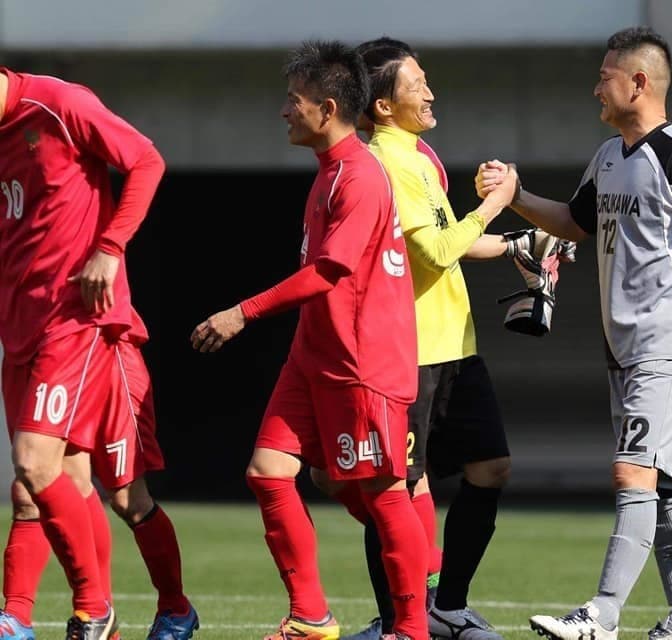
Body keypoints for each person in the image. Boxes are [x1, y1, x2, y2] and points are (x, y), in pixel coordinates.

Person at [475, 27, 672, 640]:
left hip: (668, 345)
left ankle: (602, 614)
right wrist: (516, 196)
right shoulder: (607, 157)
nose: (596, 88)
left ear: (638, 82)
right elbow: (573, 223)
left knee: (632, 474)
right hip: (623, 351)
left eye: (605, 76)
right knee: (665, 483)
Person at [191, 40, 507, 640]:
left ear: (328, 107)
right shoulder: (330, 172)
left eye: (295, 100)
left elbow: (328, 272)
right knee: (269, 472)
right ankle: (311, 616)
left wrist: (241, 313)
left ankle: (411, 627)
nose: (285, 110)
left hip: (361, 360)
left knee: (385, 491)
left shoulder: (361, 175)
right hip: (313, 354)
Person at [337, 38, 526, 640]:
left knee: (491, 467)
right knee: (393, 488)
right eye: (417, 84)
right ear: (383, 106)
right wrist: (496, 204)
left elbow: (453, 242)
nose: (430, 93)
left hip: (457, 346)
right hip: (409, 352)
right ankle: (397, 620)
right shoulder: (385, 163)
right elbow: (438, 249)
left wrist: (520, 244)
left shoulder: (420, 156)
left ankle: (448, 606)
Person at [0, 68, 198, 640]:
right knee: (41, 484)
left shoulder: (59, 104)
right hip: (20, 329)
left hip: (80, 321)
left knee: (91, 483)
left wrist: (109, 248)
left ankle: (117, 608)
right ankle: (28, 616)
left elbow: (146, 160)